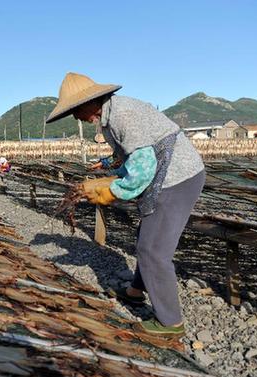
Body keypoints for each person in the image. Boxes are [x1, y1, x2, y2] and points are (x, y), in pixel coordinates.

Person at [46, 72, 205, 337]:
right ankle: (135, 292)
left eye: (76, 110)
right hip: (166, 175)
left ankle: (171, 323)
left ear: (92, 102)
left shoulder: (122, 115)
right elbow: (133, 151)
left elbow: (142, 170)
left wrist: (112, 191)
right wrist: (108, 165)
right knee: (147, 237)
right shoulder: (110, 117)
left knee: (153, 250)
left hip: (178, 178)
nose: (76, 117)